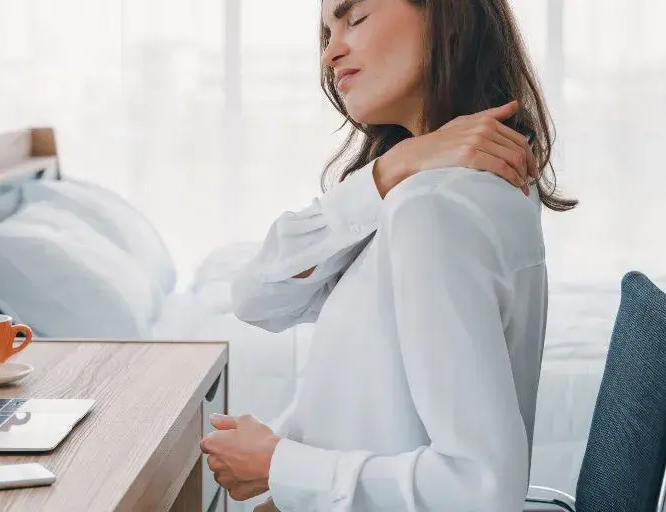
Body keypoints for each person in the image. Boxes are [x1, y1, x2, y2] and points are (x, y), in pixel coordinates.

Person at [199, 0, 578, 511]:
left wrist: (278, 464)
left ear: (447, 15)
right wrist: (391, 168)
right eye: (327, 32)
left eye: (355, 19)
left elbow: (480, 489)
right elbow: (257, 296)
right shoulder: (418, 191)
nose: (332, 52)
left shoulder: (434, 208)